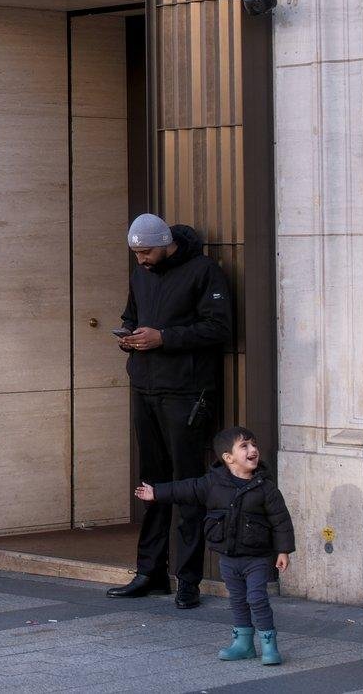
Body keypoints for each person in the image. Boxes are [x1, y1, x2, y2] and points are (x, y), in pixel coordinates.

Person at [106, 212, 231, 610]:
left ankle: (189, 579)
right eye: (136, 253)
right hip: (144, 386)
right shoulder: (141, 273)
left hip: (186, 391)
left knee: (188, 483)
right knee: (152, 483)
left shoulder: (203, 271)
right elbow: (131, 316)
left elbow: (220, 328)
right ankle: (150, 572)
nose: (141, 259)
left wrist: (164, 337)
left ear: (165, 244)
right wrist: (128, 338)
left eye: (146, 252)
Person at [136, 426, 294, 667]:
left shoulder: (266, 487)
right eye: (244, 446)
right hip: (228, 557)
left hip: (257, 557)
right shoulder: (213, 483)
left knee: (257, 598)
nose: (253, 450)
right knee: (238, 600)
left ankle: (269, 645)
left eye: (254, 445)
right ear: (228, 458)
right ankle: (243, 643)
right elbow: (185, 489)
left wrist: (283, 551)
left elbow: (281, 520)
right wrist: (156, 492)